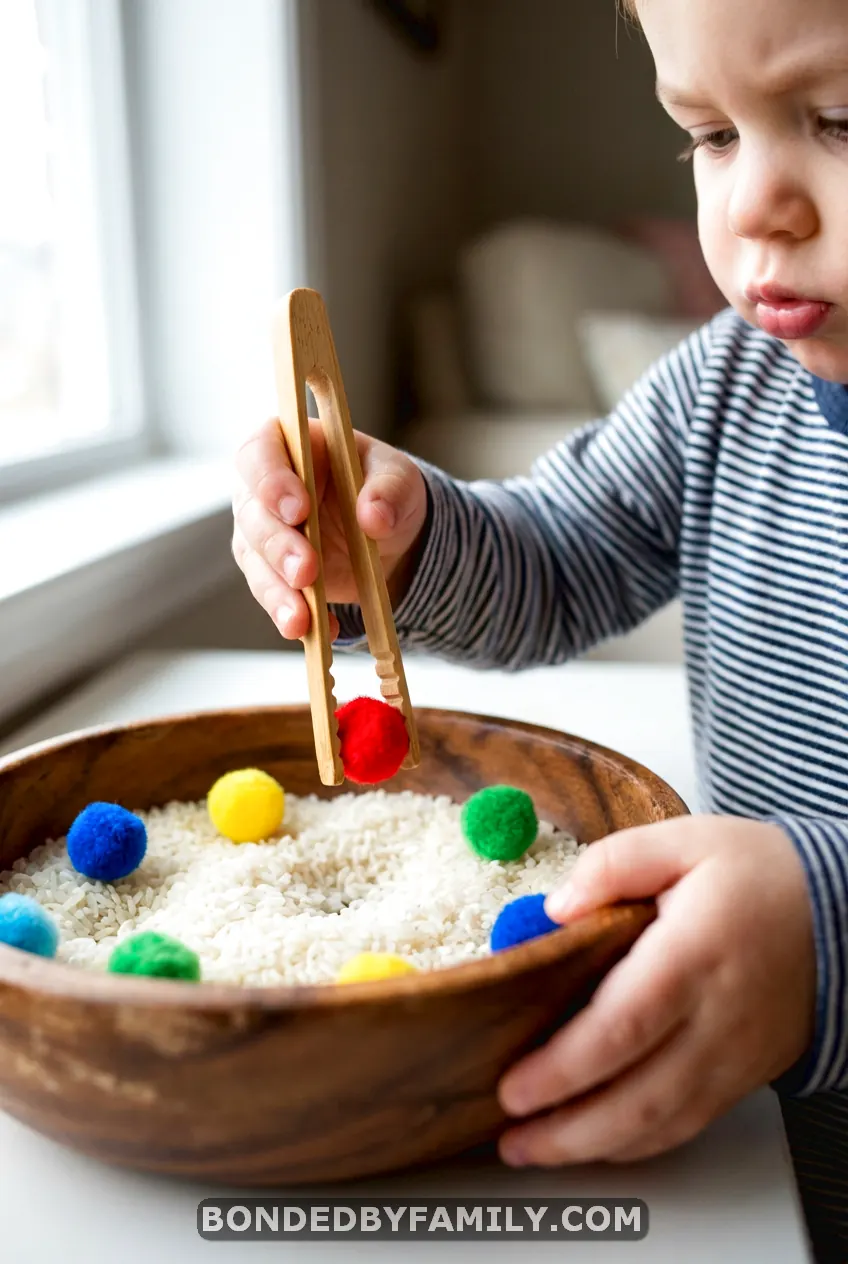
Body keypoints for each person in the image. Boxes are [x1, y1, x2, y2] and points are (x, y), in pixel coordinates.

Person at [232, 0, 848, 1254]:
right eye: (710, 134)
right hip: (736, 1111)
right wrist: (401, 537)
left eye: (837, 120)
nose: (750, 209)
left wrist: (827, 936)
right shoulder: (725, 379)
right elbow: (559, 557)